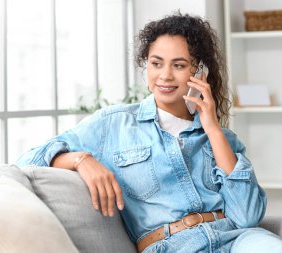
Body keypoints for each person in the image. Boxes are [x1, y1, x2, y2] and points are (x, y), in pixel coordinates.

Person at [16, 13, 282, 253]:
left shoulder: (223, 139)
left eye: (178, 65)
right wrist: (80, 160)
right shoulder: (113, 124)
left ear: (199, 71)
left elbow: (247, 215)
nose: (165, 75)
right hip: (172, 246)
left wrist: (212, 128)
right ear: (147, 66)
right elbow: (29, 160)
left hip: (239, 240)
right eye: (157, 63)